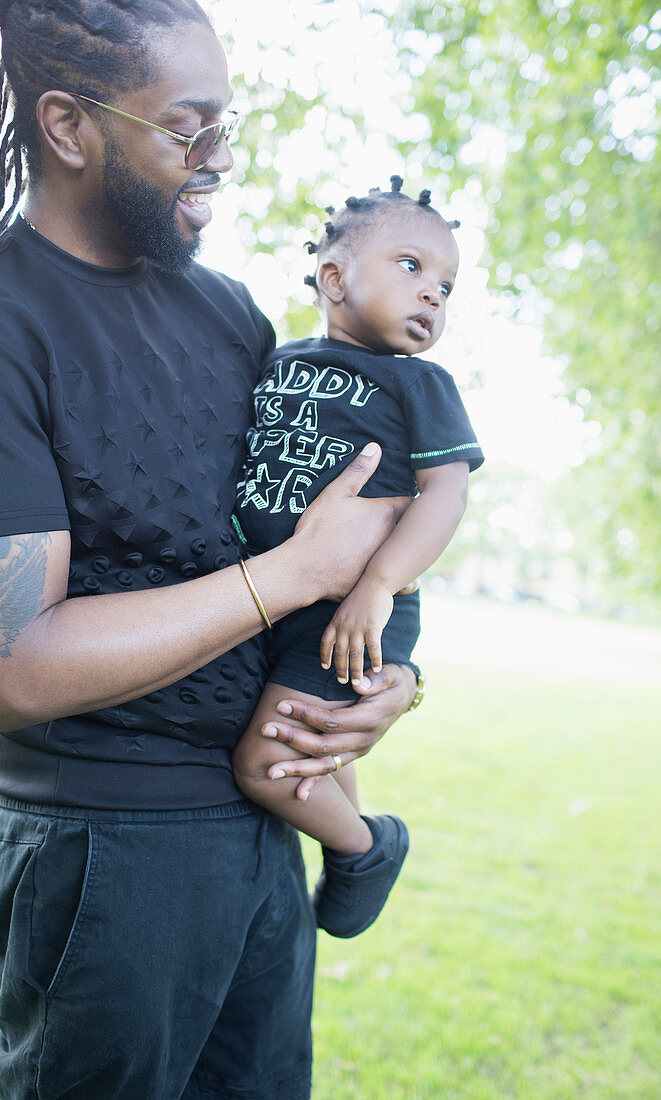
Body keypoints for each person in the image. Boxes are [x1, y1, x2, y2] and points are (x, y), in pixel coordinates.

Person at [0, 1, 422, 1097]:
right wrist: (291, 574)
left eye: (227, 124)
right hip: (108, 856)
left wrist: (391, 679)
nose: (221, 160)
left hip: (262, 833)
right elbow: (18, 664)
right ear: (68, 125)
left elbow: (332, 526)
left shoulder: (233, 316)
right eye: (187, 128)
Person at [232, 177, 484, 938]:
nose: (432, 295)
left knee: (264, 765)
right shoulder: (277, 362)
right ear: (334, 279)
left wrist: (376, 586)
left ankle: (365, 849)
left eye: (444, 284)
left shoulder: (419, 382)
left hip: (353, 614)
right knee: (318, 755)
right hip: (271, 597)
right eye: (411, 266)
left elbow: (444, 495)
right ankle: (350, 830)